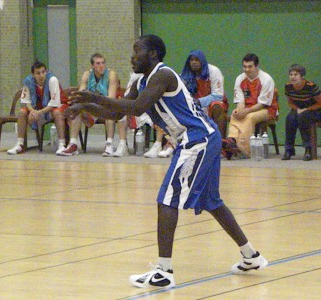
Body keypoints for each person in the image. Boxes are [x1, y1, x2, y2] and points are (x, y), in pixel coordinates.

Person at [66, 34, 267, 289]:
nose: (132, 55)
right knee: (211, 202)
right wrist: (85, 108)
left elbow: (137, 107)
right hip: (200, 139)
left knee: (167, 200)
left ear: (152, 55)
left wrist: (92, 97)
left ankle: (164, 271)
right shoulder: (141, 80)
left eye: (136, 50)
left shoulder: (163, 75)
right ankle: (251, 256)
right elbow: (117, 112)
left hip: (198, 139)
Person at [144, 49, 226, 158]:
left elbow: (218, 95)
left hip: (209, 106)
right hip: (193, 108)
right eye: (191, 60)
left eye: (197, 60)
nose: (194, 62)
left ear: (202, 60)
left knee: (217, 106)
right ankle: (172, 144)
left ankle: (219, 148)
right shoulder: (184, 75)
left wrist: (199, 102)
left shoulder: (213, 71)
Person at [59, 53, 129, 157]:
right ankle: (73, 144)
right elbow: (81, 95)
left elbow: (111, 99)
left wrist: (95, 100)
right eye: (98, 63)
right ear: (92, 65)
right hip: (90, 107)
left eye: (103, 63)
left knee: (110, 111)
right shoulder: (87, 75)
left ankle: (109, 144)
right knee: (77, 109)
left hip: (104, 106)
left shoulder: (111, 74)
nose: (101, 65)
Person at [222, 53, 276, 158]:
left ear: (256, 66)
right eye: (244, 67)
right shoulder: (240, 79)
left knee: (249, 117)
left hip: (267, 110)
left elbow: (262, 104)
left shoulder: (266, 79)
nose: (247, 69)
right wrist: (240, 110)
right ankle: (232, 141)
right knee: (235, 114)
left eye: (250, 66)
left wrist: (246, 111)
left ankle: (244, 150)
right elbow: (240, 101)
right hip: (248, 108)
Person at [7, 60, 67, 155]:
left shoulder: (52, 80)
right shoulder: (28, 81)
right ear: (33, 75)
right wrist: (33, 112)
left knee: (57, 112)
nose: (41, 75)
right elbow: (26, 101)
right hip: (38, 109)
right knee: (22, 112)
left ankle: (62, 145)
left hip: (54, 107)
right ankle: (20, 144)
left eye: (43, 72)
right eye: (38, 73)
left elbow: (53, 104)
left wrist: (38, 113)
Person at [282, 64, 321, 161]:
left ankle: (308, 149)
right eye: (291, 74)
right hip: (299, 110)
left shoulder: (311, 87)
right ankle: (289, 150)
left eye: (296, 75)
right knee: (290, 118)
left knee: (303, 117)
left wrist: (306, 109)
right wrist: (297, 109)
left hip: (315, 111)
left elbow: (320, 103)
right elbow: (290, 102)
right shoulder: (288, 87)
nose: (293, 77)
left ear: (302, 76)